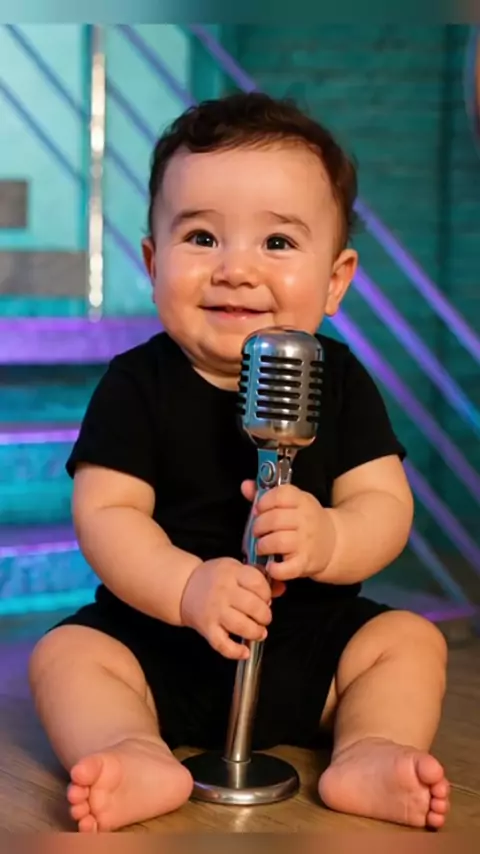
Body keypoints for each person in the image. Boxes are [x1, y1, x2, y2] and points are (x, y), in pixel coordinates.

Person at [28, 92, 449, 833]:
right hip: (162, 645)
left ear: (336, 280)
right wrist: (186, 587)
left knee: (408, 643)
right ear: (152, 261)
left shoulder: (341, 382)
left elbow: (385, 506)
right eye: (202, 237)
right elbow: (107, 515)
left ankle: (370, 748)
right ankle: (131, 747)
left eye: (277, 243)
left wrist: (332, 538)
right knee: (66, 655)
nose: (235, 269)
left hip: (311, 647)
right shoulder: (137, 384)